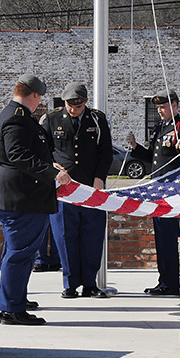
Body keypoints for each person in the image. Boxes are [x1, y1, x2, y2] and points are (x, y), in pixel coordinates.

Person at [0, 74, 71, 325]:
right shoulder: (17, 118)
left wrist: (48, 164)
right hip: (21, 196)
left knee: (17, 251)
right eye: (39, 98)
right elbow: (18, 155)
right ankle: (11, 308)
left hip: (16, 194)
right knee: (21, 253)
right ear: (33, 95)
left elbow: (22, 153)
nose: (39, 103)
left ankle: (14, 298)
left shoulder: (11, 114)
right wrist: (52, 173)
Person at [41, 81, 114, 299]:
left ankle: (90, 284)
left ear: (85, 103)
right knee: (65, 236)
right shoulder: (51, 119)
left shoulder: (97, 119)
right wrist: (52, 168)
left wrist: (100, 177)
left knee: (92, 236)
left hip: (91, 188)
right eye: (70, 105)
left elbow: (106, 152)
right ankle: (70, 284)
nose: (74, 110)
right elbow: (43, 150)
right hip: (64, 189)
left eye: (79, 106)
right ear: (64, 102)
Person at [127, 89, 180, 296]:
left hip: (170, 190)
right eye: (157, 107)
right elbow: (152, 158)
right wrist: (135, 147)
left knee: (168, 236)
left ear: (174, 105)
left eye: (163, 106)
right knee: (160, 237)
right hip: (157, 189)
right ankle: (164, 279)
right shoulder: (159, 128)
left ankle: (172, 282)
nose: (160, 110)